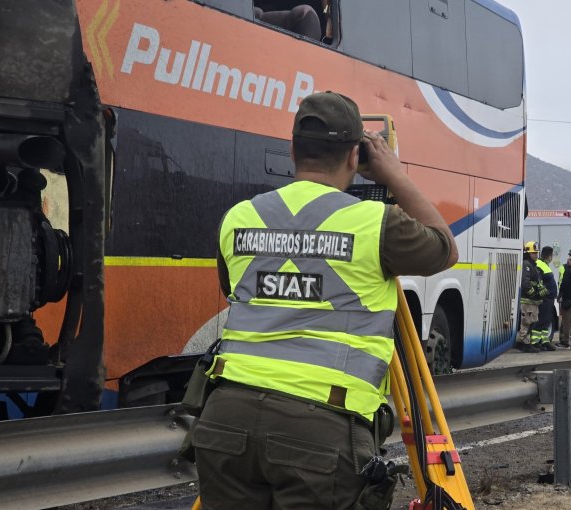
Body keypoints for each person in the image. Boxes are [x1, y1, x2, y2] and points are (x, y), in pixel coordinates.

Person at [193, 91, 458, 510]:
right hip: (320, 429)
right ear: (356, 156)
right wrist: (395, 176)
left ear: (293, 149)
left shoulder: (238, 217)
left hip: (226, 418)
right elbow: (445, 247)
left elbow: (238, 291)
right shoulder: (376, 224)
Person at [518, 241, 546, 353]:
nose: (536, 255)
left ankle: (526, 342)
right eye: (533, 253)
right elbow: (525, 282)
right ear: (527, 253)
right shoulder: (526, 264)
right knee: (527, 322)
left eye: (536, 253)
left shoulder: (533, 265)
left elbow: (535, 281)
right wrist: (534, 293)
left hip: (533, 301)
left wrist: (541, 290)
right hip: (528, 300)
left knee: (533, 321)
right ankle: (524, 343)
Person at [533, 246, 558, 351]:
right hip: (544, 298)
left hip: (549, 298)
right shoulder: (539, 265)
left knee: (546, 321)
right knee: (541, 320)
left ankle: (544, 341)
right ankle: (535, 342)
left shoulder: (544, 265)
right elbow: (537, 281)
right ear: (550, 256)